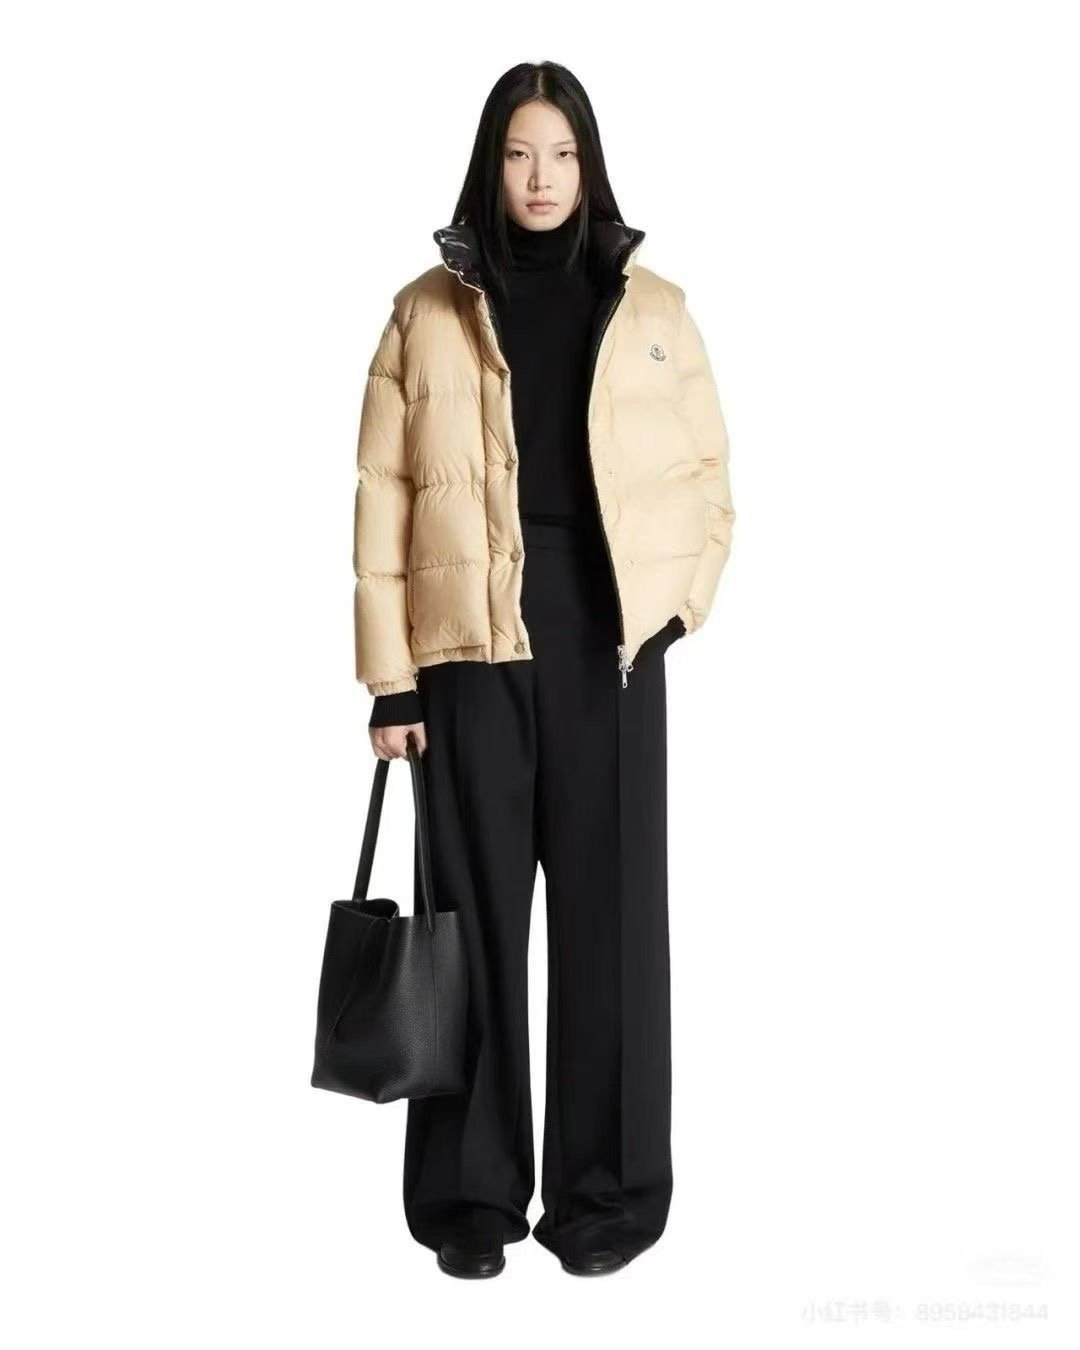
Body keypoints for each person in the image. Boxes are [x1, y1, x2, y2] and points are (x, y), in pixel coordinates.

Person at [352, 61, 735, 1278]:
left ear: (589, 164)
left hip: (607, 647)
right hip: (469, 649)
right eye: (520, 154)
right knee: (470, 927)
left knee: (612, 928)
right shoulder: (424, 311)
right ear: (491, 162)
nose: (541, 178)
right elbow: (383, 500)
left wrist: (671, 613)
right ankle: (470, 1202)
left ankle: (605, 1197)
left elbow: (708, 479)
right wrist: (392, 680)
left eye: (562, 155)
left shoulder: (652, 307)